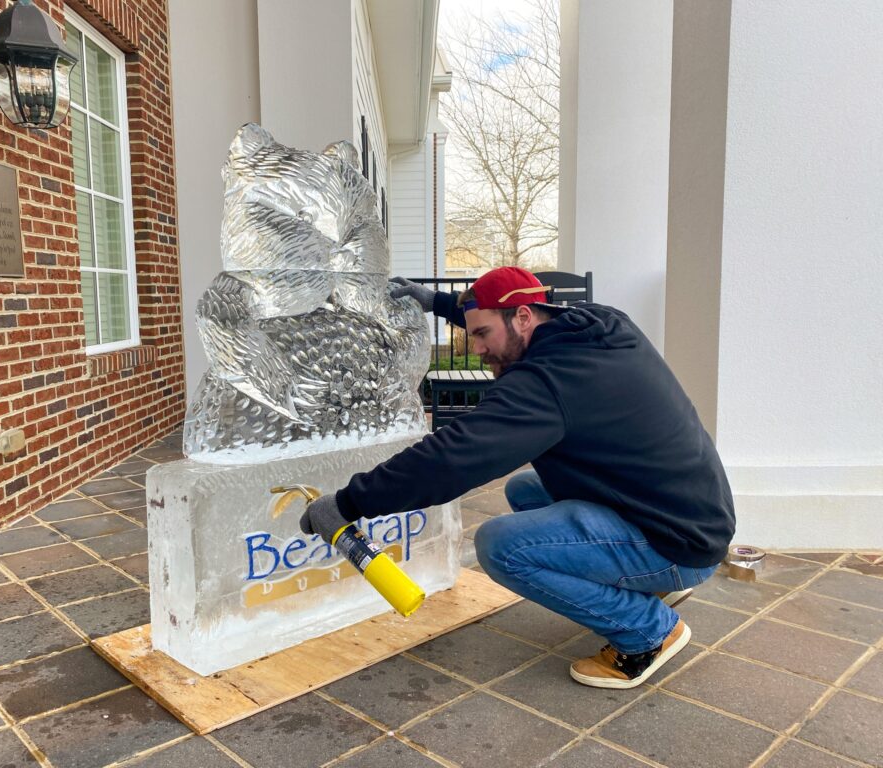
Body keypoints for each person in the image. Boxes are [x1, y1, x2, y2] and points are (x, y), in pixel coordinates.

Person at [300, 266, 735, 689]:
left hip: (677, 544)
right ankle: (649, 587)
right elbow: (502, 320)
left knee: (502, 546)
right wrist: (439, 303)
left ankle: (647, 631)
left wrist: (347, 504)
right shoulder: (599, 325)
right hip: (693, 513)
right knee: (524, 489)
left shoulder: (546, 383)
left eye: (481, 334)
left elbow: (451, 458)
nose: (476, 349)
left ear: (523, 317)